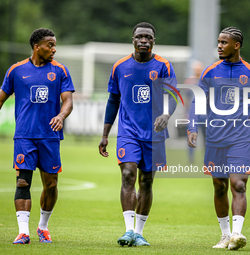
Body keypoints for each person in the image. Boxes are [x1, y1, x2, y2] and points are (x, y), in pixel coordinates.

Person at [0, 28, 74, 244]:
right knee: (23, 181)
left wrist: (61, 115)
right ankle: (23, 232)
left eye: (55, 44)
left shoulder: (60, 70)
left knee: (50, 185)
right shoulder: (16, 70)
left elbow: (68, 100)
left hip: (50, 136)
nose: (54, 49)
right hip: (24, 136)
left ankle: (43, 227)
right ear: (36, 46)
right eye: (50, 45)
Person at [187, 27, 250, 250]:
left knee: (239, 184)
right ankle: (225, 235)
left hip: (240, 139)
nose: (219, 46)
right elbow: (197, 101)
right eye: (218, 42)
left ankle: (236, 234)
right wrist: (192, 126)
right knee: (219, 187)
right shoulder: (210, 72)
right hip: (215, 139)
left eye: (224, 42)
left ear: (237, 45)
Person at [98, 22, 177, 247]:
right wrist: (105, 134)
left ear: (154, 41)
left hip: (155, 133)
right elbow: (113, 100)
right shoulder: (120, 66)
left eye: (148, 37)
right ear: (133, 40)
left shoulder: (164, 66)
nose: (144, 40)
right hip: (128, 131)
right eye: (139, 37)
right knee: (128, 175)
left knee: (147, 182)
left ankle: (139, 232)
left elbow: (172, 96)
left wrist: (166, 115)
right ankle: (129, 230)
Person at [184, 60, 206, 163]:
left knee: (206, 138)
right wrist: (186, 114)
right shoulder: (189, 82)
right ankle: (191, 159)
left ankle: (207, 158)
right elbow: (187, 99)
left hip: (205, 115)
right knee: (191, 136)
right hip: (192, 114)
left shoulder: (206, 81)